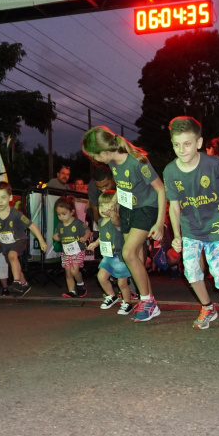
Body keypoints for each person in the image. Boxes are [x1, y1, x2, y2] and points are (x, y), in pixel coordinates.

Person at [82, 126, 165, 322]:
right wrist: (113, 203)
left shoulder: (138, 162)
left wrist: (160, 222)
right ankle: (151, 302)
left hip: (146, 208)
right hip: (128, 209)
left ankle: (146, 301)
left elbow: (161, 190)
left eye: (94, 156)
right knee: (134, 255)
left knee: (128, 253)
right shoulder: (112, 163)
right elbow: (122, 186)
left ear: (103, 151)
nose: (94, 160)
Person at [163, 116, 219, 330]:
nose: (182, 149)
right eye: (177, 144)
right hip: (190, 227)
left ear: (198, 142)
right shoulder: (170, 171)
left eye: (187, 144)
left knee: (217, 270)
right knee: (191, 269)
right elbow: (174, 207)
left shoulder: (213, 164)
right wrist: (176, 235)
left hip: (215, 222)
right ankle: (207, 307)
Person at [0, 181, 48, 296]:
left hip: (19, 240)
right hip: (6, 245)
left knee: (12, 256)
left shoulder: (16, 214)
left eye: (3, 197)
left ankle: (16, 283)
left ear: (10, 198)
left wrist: (41, 240)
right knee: (14, 264)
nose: (0, 201)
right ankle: (24, 284)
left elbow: (32, 225)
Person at [87, 190, 133, 314]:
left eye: (107, 205)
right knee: (101, 277)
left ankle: (127, 302)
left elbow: (116, 222)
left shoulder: (116, 220)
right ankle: (112, 296)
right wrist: (95, 243)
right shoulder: (101, 222)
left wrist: (113, 214)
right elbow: (102, 236)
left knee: (122, 283)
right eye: (101, 205)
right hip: (107, 256)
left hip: (118, 256)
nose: (103, 208)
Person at [52, 196, 92, 298]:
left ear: (72, 211)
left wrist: (85, 237)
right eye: (58, 214)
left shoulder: (77, 223)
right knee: (68, 272)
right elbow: (56, 235)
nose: (61, 217)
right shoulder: (60, 225)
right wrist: (56, 237)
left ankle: (80, 284)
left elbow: (87, 230)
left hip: (77, 251)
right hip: (66, 252)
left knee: (74, 270)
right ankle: (72, 291)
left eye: (64, 214)